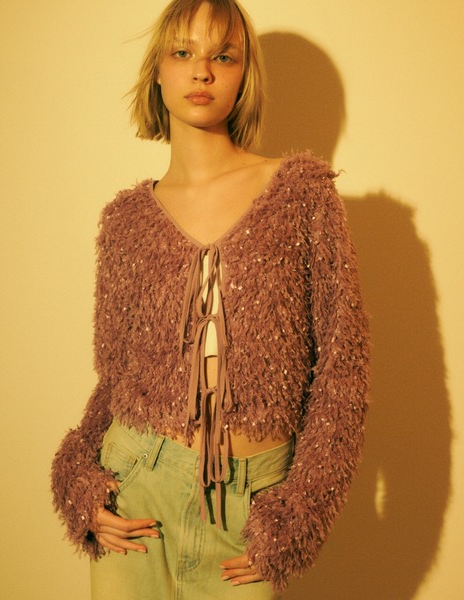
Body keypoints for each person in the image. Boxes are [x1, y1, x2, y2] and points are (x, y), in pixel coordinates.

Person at [51, 1, 370, 598]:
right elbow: (114, 379)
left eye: (223, 56)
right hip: (135, 491)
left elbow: (343, 369)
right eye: (183, 52)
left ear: (244, 75)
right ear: (158, 71)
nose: (202, 71)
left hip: (248, 508)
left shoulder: (300, 194)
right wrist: (79, 483)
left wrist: (299, 512)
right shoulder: (125, 220)